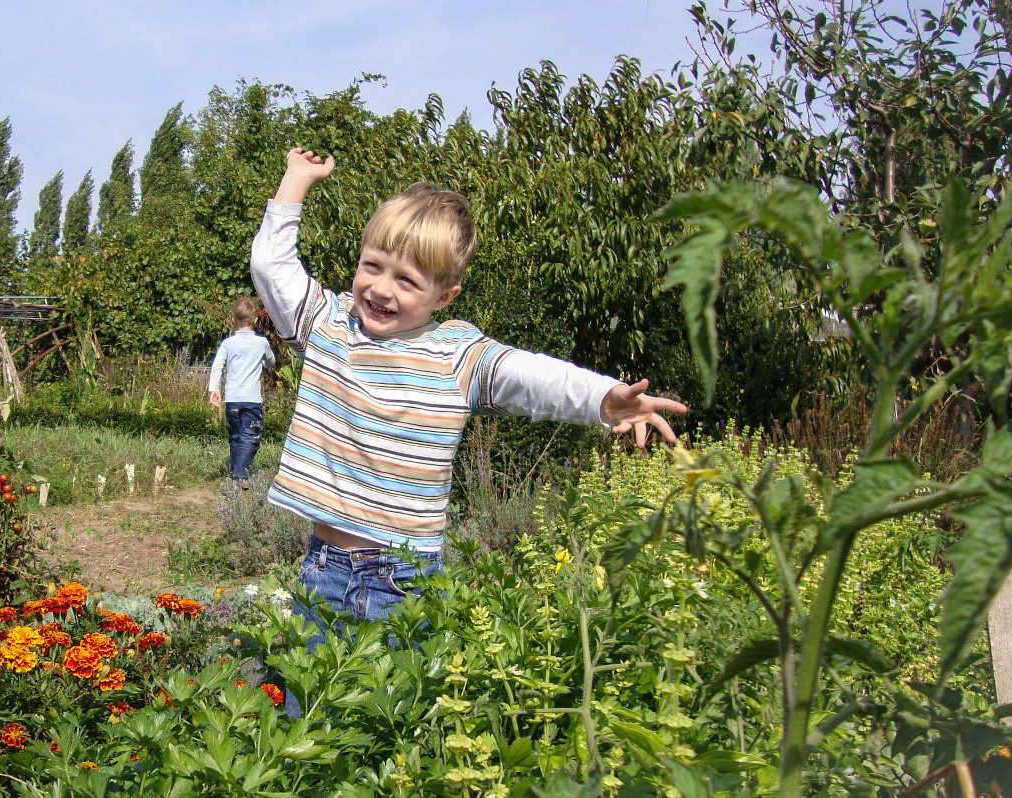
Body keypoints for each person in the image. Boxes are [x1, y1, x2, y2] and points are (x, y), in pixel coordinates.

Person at [251, 147, 687, 674]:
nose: (381, 288)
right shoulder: (328, 324)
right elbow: (271, 267)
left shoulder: (458, 354)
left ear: (445, 295)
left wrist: (603, 397)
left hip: (403, 583)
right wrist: (296, 180)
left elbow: (530, 376)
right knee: (307, 718)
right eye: (373, 266)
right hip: (321, 568)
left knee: (393, 729)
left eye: (407, 280)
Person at [207, 296, 276, 489]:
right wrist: (261, 362)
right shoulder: (261, 343)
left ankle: (238, 472)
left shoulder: (228, 344)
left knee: (236, 436)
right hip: (252, 400)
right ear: (255, 320)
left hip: (232, 399)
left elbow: (217, 366)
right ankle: (241, 474)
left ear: (233, 320)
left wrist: (214, 389)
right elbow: (271, 362)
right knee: (251, 435)